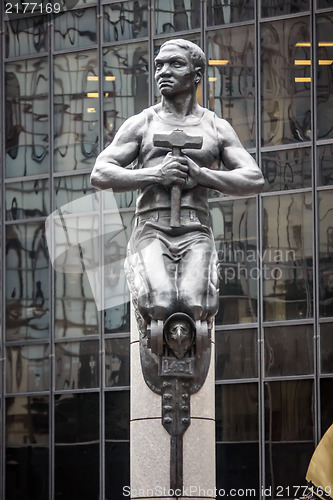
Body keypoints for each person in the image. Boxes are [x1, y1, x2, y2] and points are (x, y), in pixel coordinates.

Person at [91, 39, 264, 329]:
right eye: (159, 65)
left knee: (195, 304)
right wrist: (156, 174)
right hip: (152, 228)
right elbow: (100, 173)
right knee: (160, 302)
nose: (163, 71)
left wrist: (201, 174)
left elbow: (253, 179)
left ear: (197, 74)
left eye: (175, 64)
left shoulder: (215, 127)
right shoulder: (142, 123)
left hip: (196, 230)